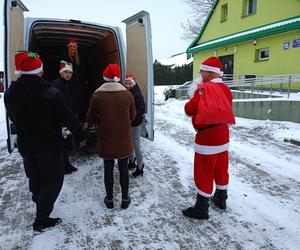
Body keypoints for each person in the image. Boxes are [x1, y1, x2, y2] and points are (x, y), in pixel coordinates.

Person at [4, 51, 87, 232]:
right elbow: (69, 118)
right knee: (54, 180)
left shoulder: (10, 92)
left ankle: (38, 200)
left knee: (34, 176)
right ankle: (41, 219)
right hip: (48, 146)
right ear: (40, 71)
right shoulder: (52, 93)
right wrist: (81, 136)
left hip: (26, 145)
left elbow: (13, 117)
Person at [182, 56, 235, 220]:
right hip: (223, 134)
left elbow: (189, 109)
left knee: (204, 170)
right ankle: (221, 199)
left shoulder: (203, 89)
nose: (200, 73)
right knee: (221, 167)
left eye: (203, 70)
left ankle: (201, 207)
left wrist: (192, 99)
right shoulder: (226, 89)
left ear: (211, 73)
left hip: (207, 137)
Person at [86, 64, 136, 209]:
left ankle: (109, 200)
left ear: (105, 77)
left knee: (108, 168)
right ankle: (125, 199)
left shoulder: (97, 95)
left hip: (106, 139)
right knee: (123, 168)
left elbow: (90, 117)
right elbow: (132, 115)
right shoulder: (128, 94)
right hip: (124, 140)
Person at [53, 60, 79, 174]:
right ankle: (62, 166)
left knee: (66, 142)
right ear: (61, 72)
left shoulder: (66, 83)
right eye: (66, 72)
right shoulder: (57, 84)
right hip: (61, 121)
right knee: (62, 143)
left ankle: (66, 164)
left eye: (70, 72)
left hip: (66, 119)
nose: (68, 74)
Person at [122, 74, 146, 177]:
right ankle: (131, 162)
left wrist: (132, 116)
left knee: (136, 146)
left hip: (135, 123)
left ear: (133, 83)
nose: (127, 85)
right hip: (128, 123)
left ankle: (140, 167)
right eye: (126, 83)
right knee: (129, 144)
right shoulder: (126, 92)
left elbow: (142, 108)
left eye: (129, 83)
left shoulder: (136, 93)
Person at [62, 38, 86, 122]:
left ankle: (79, 117)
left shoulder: (80, 58)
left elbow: (83, 71)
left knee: (79, 100)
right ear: (69, 48)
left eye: (74, 47)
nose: (73, 49)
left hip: (78, 83)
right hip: (69, 82)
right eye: (71, 47)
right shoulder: (64, 56)